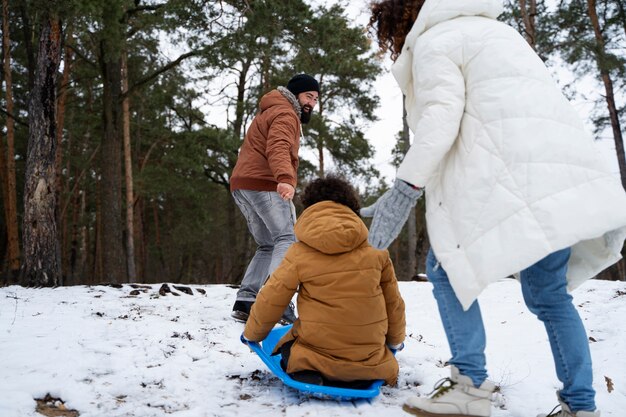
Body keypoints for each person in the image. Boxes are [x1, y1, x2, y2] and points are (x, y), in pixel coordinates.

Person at [366, 0, 626, 416]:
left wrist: (404, 188)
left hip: (507, 180)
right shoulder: (504, 34)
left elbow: (441, 118)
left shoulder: (435, 41)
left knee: (443, 266)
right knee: (549, 294)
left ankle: (468, 384)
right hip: (559, 176)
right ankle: (581, 406)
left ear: (402, 22)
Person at [241, 175, 406, 387]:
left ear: (310, 208)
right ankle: (359, 373)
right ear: (351, 207)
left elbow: (272, 298)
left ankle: (311, 370)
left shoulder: (299, 252)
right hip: (370, 359)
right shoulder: (376, 250)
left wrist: (252, 335)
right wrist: (394, 341)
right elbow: (394, 304)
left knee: (287, 347)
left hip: (314, 354)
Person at [230, 74, 320, 324]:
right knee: (287, 238)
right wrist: (284, 177)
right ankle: (276, 301)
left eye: (315, 98)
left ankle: (246, 301)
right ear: (296, 94)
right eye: (308, 96)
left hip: (243, 185)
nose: (311, 103)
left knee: (268, 244)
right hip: (265, 184)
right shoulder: (285, 113)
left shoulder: (269, 110)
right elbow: (278, 145)